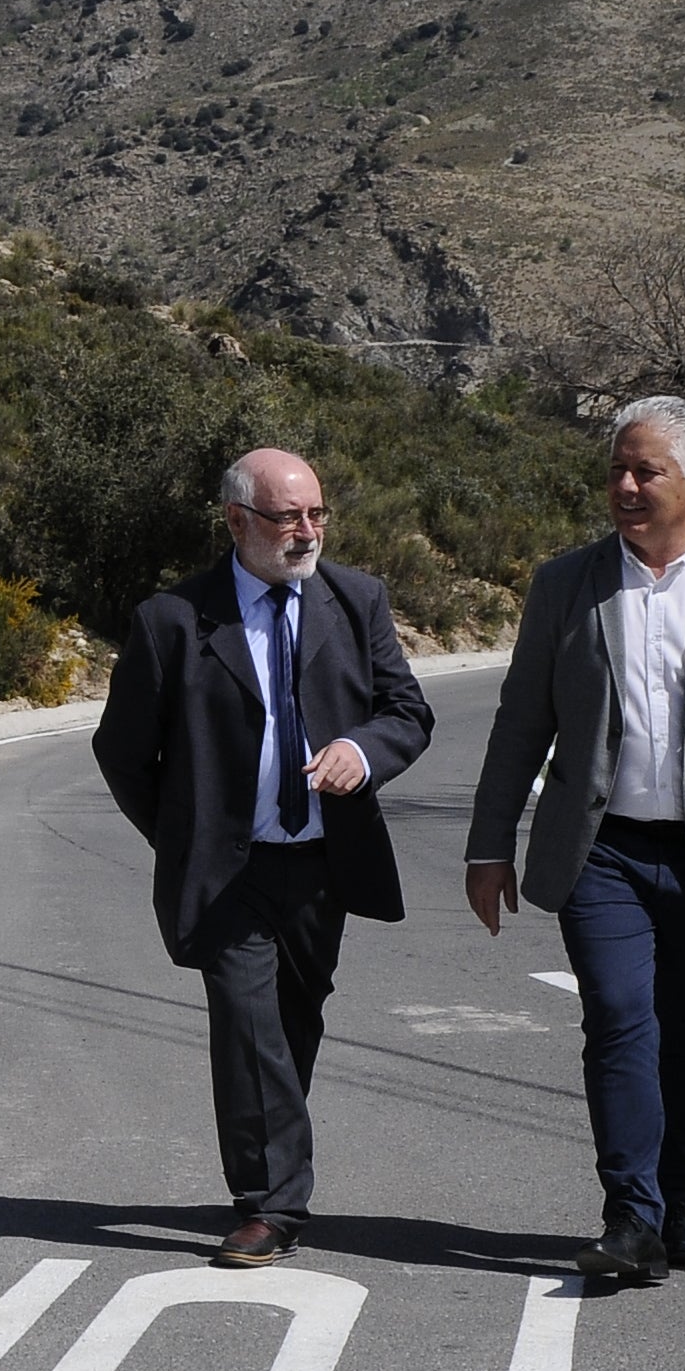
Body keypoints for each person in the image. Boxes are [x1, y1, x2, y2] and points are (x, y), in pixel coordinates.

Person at [463, 395, 685, 1291]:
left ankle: (672, 1197)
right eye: (617, 470)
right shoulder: (566, 586)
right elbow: (521, 724)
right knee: (619, 1019)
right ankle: (629, 1216)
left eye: (646, 472)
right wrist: (488, 844)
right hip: (603, 852)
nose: (625, 487)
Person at [92, 446, 436, 1267]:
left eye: (318, 514)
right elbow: (124, 752)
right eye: (289, 518)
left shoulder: (356, 601)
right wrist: (187, 836)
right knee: (248, 1025)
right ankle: (270, 1204)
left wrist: (362, 748)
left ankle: (268, 1167)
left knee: (292, 1022)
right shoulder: (172, 621)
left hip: (321, 860)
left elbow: (408, 712)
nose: (308, 533)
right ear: (238, 521)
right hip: (228, 874)